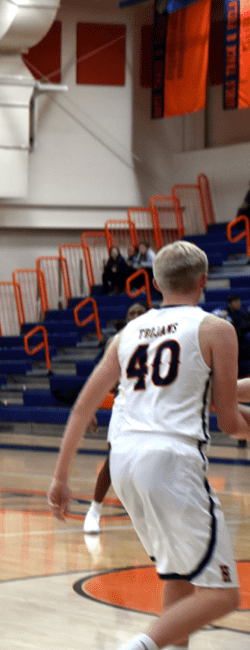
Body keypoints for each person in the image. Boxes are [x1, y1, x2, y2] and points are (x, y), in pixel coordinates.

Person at [48, 240, 250, 650]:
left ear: (156, 282)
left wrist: (60, 479)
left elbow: (82, 410)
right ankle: (136, 647)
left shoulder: (128, 334)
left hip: (123, 462)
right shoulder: (216, 329)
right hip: (170, 461)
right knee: (223, 594)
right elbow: (229, 420)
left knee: (179, 576)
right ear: (204, 281)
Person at [82, 301, 148, 534]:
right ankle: (94, 511)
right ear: (127, 317)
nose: (136, 315)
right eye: (132, 312)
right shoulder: (117, 341)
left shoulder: (160, 337)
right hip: (125, 404)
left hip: (152, 405)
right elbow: (100, 380)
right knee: (114, 458)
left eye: (141, 312)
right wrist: (90, 410)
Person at [224, 294, 250, 378]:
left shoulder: (243, 314)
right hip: (231, 345)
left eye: (238, 301)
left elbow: (245, 327)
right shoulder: (225, 315)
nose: (238, 303)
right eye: (235, 302)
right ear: (229, 303)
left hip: (243, 347)